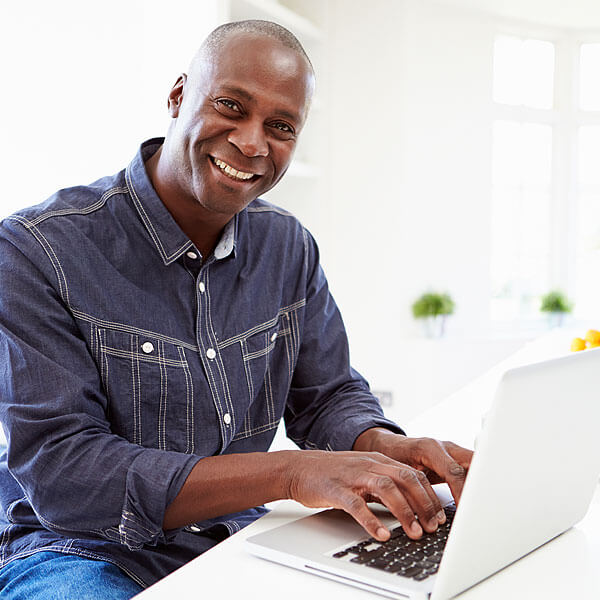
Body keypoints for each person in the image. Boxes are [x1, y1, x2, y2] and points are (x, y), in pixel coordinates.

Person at [0, 19, 472, 599]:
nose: (252, 144)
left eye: (281, 127)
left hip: (235, 533)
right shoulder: (36, 248)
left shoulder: (287, 247)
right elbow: (67, 474)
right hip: (79, 551)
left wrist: (384, 447)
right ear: (177, 97)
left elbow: (327, 396)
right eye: (231, 105)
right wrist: (291, 473)